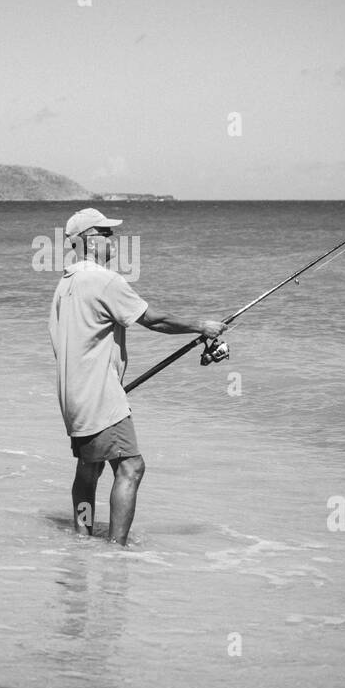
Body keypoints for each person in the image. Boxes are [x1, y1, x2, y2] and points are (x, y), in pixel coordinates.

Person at [48, 208, 223, 546]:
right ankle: (116, 550)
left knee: (89, 467)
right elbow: (153, 320)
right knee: (131, 468)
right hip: (99, 397)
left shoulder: (64, 284)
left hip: (73, 397)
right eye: (106, 233)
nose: (113, 240)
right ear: (87, 240)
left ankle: (82, 540)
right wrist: (202, 325)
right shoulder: (104, 280)